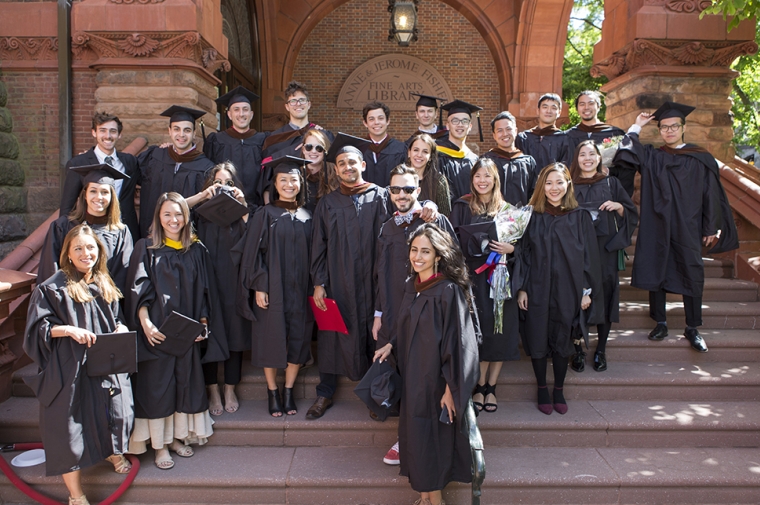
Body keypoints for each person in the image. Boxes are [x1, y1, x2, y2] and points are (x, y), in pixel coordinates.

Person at [613, 102, 738, 353]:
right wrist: (637, 124)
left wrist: (711, 226)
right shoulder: (653, 156)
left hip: (688, 224)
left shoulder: (699, 157)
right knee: (656, 266)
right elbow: (626, 150)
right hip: (656, 224)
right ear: (659, 130)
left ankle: (692, 327)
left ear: (683, 127)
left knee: (691, 271)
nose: (669, 131)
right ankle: (660, 322)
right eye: (664, 127)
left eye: (673, 126)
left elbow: (710, 193)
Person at [25, 224, 134, 505]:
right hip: (68, 366)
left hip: (102, 362)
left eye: (91, 247)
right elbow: (37, 330)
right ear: (68, 254)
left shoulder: (103, 282)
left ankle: (112, 452)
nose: (86, 253)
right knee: (68, 426)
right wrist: (68, 330)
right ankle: (76, 495)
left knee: (109, 411)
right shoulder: (53, 287)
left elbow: (116, 318)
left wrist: (121, 327)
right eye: (78, 248)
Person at [374, 224, 479, 505]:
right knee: (417, 437)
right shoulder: (413, 286)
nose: (417, 256)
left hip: (435, 382)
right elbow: (407, 324)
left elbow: (459, 344)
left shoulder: (447, 291)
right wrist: (392, 343)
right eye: (414, 250)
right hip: (413, 377)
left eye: (425, 251)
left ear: (438, 256)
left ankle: (437, 501)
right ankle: (424, 497)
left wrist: (450, 388)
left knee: (432, 439)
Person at [126, 192, 227, 470]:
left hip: (185, 333)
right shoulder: (146, 248)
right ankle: (159, 447)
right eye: (167, 214)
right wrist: (145, 324)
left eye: (179, 214)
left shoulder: (195, 250)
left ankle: (174, 439)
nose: (174, 219)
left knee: (183, 383)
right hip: (156, 332)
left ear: (187, 217)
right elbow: (138, 290)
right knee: (157, 386)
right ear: (158, 217)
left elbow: (206, 294)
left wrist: (203, 326)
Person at [375, 165, 456, 464]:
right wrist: (378, 313)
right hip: (397, 313)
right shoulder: (387, 227)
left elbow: (454, 270)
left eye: (408, 189)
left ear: (418, 190)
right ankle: (407, 436)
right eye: (395, 189)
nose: (401, 194)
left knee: (427, 375)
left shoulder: (435, 222)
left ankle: (432, 437)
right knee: (405, 375)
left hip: (430, 311)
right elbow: (380, 274)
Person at [307, 135, 392, 419]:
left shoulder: (380, 196)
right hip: (338, 282)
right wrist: (319, 283)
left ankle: (375, 396)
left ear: (363, 165)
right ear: (336, 169)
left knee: (375, 333)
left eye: (351, 162)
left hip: (373, 281)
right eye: (341, 163)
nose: (347, 167)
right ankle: (325, 393)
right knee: (332, 334)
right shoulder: (328, 203)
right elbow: (318, 245)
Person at [516, 163, 603, 415]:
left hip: (569, 287)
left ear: (568, 185)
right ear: (542, 186)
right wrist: (522, 288)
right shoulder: (532, 216)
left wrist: (586, 291)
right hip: (538, 286)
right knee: (538, 334)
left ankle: (559, 389)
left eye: (559, 182)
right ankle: (542, 387)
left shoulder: (580, 217)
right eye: (549, 183)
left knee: (564, 335)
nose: (554, 188)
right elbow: (524, 254)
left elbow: (590, 258)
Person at [238, 156, 314, 417]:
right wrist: (260, 285)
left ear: (300, 183)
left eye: (294, 179)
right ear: (275, 184)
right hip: (273, 290)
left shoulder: (308, 215)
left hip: (301, 289)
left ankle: (289, 390)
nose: (289, 184)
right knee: (270, 338)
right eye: (284, 180)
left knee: (298, 339)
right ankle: (273, 392)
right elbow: (253, 253)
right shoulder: (265, 214)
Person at [451, 158, 521, 413]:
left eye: (487, 176)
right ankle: (479, 385)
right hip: (472, 278)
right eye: (478, 176)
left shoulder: (508, 210)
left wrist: (511, 249)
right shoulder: (461, 206)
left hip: (500, 279)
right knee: (479, 330)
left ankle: (492, 386)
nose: (482, 181)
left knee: (499, 330)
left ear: (495, 180)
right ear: (472, 179)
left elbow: (523, 248)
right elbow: (451, 242)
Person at [569, 141, 638, 372]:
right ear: (576, 159)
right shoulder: (568, 184)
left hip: (605, 251)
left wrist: (619, 206)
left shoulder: (611, 183)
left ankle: (601, 350)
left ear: (599, 158)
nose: (587, 158)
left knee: (605, 296)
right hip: (577, 251)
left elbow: (630, 213)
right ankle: (577, 349)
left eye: (592, 154)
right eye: (582, 154)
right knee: (576, 296)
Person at [188, 163, 250, 416]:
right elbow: (175, 207)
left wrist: (243, 203)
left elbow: (257, 233)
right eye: (218, 182)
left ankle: (229, 388)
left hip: (234, 282)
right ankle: (212, 389)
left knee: (235, 334)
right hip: (206, 281)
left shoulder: (241, 212)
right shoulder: (200, 212)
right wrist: (204, 195)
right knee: (210, 333)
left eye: (229, 183)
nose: (223, 187)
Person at [39, 164, 133, 292]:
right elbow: (50, 270)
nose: (99, 197)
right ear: (85, 195)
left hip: (105, 303)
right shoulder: (62, 227)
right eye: (93, 191)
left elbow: (123, 277)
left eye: (104, 192)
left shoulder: (120, 233)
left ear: (112, 197)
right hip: (67, 301)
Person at [60, 112, 140, 240]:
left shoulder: (130, 162)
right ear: (94, 132)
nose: (108, 136)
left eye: (113, 131)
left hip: (125, 231)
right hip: (90, 232)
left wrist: (169, 148)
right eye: (102, 131)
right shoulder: (78, 164)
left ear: (119, 135)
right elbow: (67, 206)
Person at [138, 105, 215, 237]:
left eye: (187, 130)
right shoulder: (155, 156)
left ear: (194, 133)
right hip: (153, 234)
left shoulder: (205, 167)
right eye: (176, 129)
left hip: (186, 239)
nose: (181, 135)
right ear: (169, 131)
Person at [260, 81, 334, 200]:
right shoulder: (275, 139)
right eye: (293, 101)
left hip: (321, 200)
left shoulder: (323, 136)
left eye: (302, 100)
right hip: (286, 203)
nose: (298, 104)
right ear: (287, 106)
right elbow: (267, 183)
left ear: (309, 104)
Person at [203, 86, 267, 212]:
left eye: (245, 109)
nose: (241, 114)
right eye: (236, 109)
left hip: (256, 208)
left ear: (251, 114)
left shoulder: (263, 140)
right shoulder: (216, 141)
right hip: (224, 208)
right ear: (229, 114)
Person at [565, 91, 632, 196]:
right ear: (577, 108)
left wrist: (609, 172)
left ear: (599, 106)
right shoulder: (567, 136)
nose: (586, 107)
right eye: (582, 104)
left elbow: (626, 168)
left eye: (591, 103)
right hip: (576, 192)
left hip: (606, 190)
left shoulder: (615, 134)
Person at [484, 111, 538, 207]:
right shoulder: (487, 161)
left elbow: (534, 194)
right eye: (499, 130)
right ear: (494, 135)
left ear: (516, 131)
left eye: (508, 129)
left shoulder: (528, 162)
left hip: (522, 218)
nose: (505, 134)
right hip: (493, 218)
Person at [436, 99, 482, 201]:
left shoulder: (474, 159)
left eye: (464, 121)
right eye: (455, 120)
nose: (460, 124)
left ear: (470, 126)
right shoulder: (437, 155)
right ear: (447, 125)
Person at [516, 93, 573, 170]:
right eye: (545, 107)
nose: (548, 111)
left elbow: (566, 169)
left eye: (553, 108)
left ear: (559, 112)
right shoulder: (524, 138)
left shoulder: (564, 139)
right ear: (538, 111)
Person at [360, 101, 408, 188]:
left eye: (380, 118)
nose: (376, 122)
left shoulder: (401, 149)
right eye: (371, 119)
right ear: (365, 123)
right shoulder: (358, 149)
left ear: (388, 121)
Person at [407, 133, 451, 216]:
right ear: (409, 153)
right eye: (416, 150)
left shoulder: (439, 181)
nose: (419, 155)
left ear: (431, 157)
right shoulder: (398, 178)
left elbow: (445, 216)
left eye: (425, 152)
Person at [300, 128, 338, 212]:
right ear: (303, 150)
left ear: (325, 151)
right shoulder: (296, 177)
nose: (313, 151)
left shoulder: (335, 177)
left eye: (319, 148)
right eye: (309, 147)